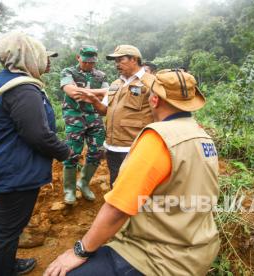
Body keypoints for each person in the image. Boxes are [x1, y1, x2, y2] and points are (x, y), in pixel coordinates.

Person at [44, 69, 220, 276]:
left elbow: (119, 208)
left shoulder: (158, 139)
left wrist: (79, 251)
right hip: (200, 248)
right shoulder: (202, 135)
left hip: (159, 258)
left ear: (154, 100)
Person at [0, 31, 70, 276]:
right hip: (15, 171)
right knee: (6, 230)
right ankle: (2, 270)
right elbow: (38, 134)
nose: (46, 62)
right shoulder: (24, 90)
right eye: (42, 56)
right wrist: (65, 152)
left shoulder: (3, 80)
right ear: (28, 57)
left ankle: (4, 264)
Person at [83, 45, 155, 187]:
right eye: (115, 61)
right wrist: (94, 100)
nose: (117, 64)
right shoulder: (116, 83)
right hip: (112, 147)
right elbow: (104, 110)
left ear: (134, 59)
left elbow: (160, 115)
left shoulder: (151, 82)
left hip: (134, 148)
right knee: (115, 184)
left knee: (135, 188)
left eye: (120, 60)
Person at [60, 46, 109, 204]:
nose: (89, 64)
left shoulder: (101, 75)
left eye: (92, 62)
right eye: (86, 61)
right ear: (78, 58)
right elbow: (72, 93)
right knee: (73, 153)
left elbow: (108, 93)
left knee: (97, 152)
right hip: (74, 116)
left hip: (94, 116)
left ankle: (84, 183)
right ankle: (69, 190)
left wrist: (84, 92)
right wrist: (99, 92)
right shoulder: (68, 72)